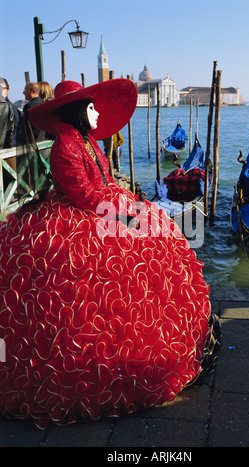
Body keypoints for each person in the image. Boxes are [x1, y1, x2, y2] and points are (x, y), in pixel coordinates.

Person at [0, 79, 214, 429]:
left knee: (153, 242)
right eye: (91, 107)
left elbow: (102, 182)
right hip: (80, 217)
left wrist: (125, 202)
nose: (97, 112)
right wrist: (123, 214)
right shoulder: (66, 144)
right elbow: (83, 195)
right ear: (76, 111)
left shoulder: (87, 139)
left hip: (102, 208)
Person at [0, 78, 20, 147]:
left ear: (7, 90)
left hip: (6, 149)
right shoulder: (10, 106)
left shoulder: (8, 107)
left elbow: (12, 130)